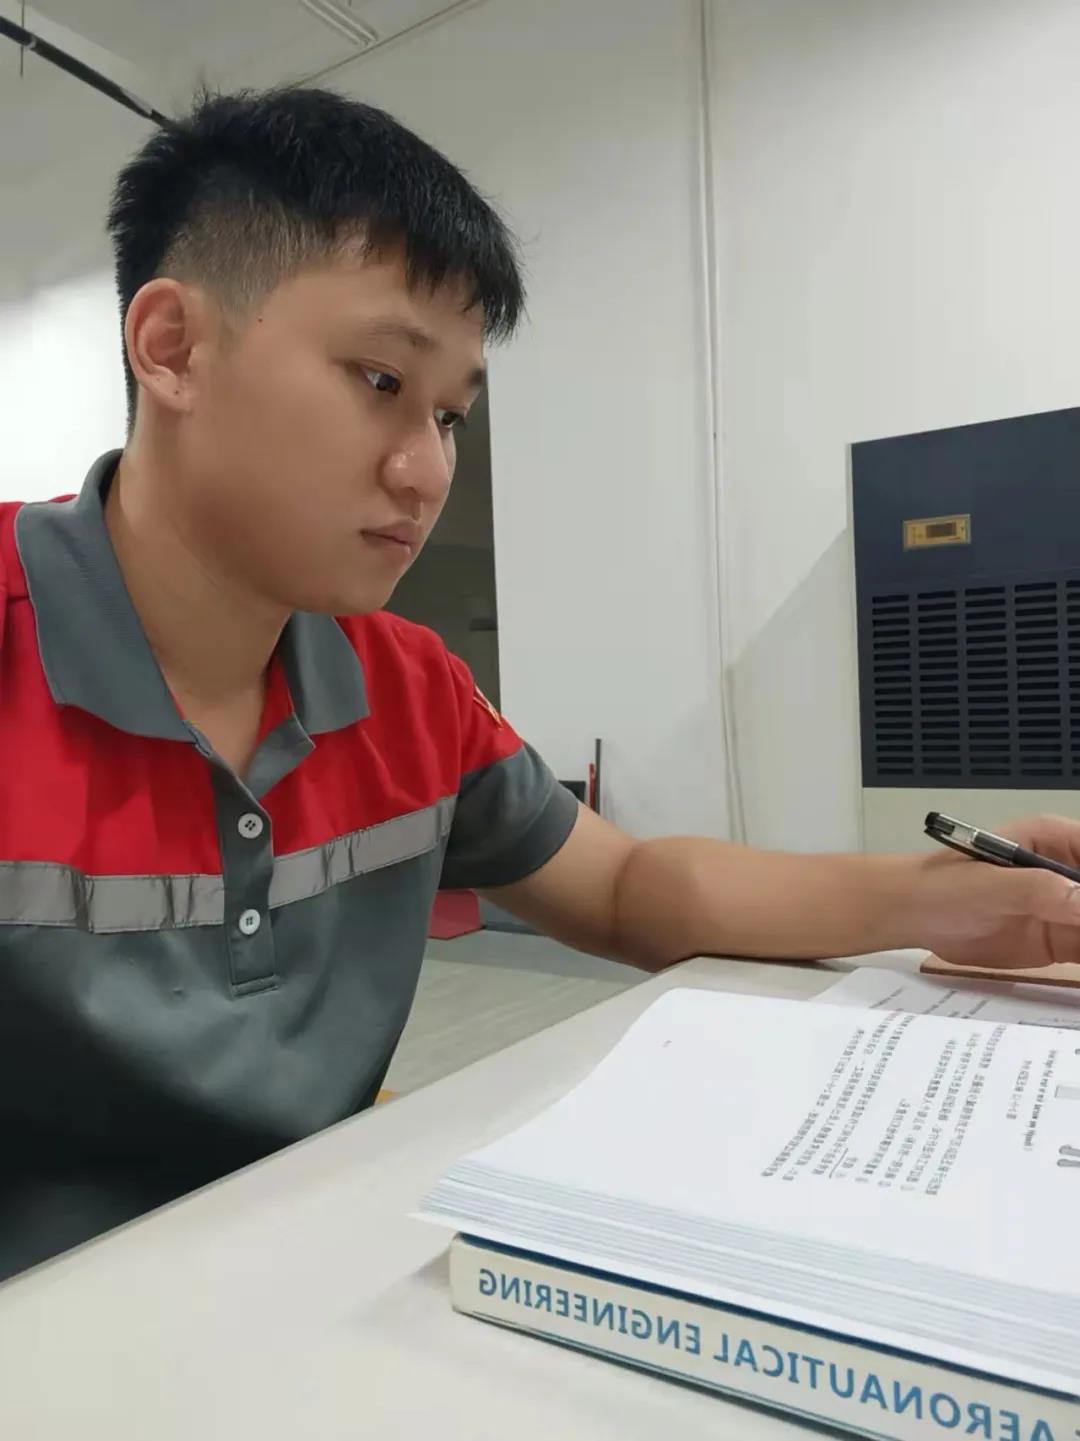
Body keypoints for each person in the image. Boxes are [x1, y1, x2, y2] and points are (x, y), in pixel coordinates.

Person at [1, 85, 1078, 1283]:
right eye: (379, 380)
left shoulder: (406, 686)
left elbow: (622, 887)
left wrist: (944, 901)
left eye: (450, 415)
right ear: (173, 347)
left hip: (315, 1285)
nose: (426, 472)